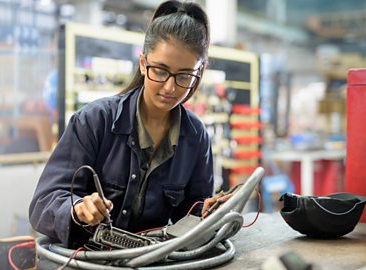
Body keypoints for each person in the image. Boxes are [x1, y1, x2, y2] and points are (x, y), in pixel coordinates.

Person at [29, 0, 232, 248]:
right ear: (143, 63)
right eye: (160, 70)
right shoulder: (95, 121)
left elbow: (190, 213)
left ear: (199, 74)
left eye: (184, 76)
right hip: (86, 259)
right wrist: (77, 209)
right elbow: (43, 202)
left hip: (148, 261)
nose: (170, 87)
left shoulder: (196, 136)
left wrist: (206, 212)